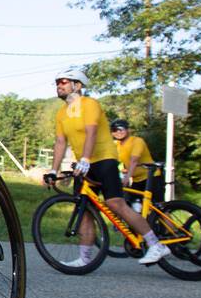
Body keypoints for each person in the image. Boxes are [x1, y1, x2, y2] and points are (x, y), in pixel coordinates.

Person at [45, 68, 171, 268]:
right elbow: (60, 142)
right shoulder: (62, 113)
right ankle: (85, 258)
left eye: (63, 81)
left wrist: (86, 158)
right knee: (84, 209)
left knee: (115, 203)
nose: (59, 85)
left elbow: (91, 132)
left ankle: (155, 244)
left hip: (104, 159)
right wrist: (54, 169)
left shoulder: (90, 104)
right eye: (57, 82)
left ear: (77, 85)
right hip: (84, 165)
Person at [110, 119, 153, 207]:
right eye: (114, 130)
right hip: (137, 180)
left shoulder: (137, 141)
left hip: (151, 178)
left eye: (120, 129)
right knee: (135, 206)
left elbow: (134, 160)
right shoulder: (117, 145)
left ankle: (167, 220)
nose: (118, 132)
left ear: (128, 130)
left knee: (158, 207)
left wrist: (127, 178)